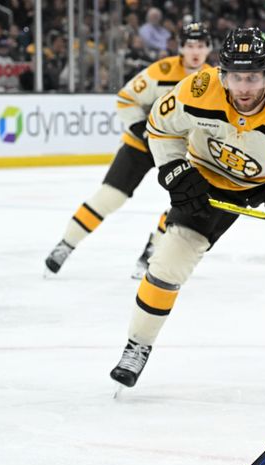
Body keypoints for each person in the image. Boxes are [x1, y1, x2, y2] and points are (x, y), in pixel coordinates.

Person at [109, 27, 265, 388]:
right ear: (222, 74)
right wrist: (174, 170)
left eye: (254, 77)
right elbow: (160, 126)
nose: (245, 88)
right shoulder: (198, 88)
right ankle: (138, 345)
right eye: (236, 77)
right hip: (206, 177)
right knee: (166, 265)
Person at [44, 23, 212, 278]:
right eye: (190, 46)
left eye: (200, 46)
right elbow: (126, 98)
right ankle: (66, 244)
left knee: (185, 200)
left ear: (209, 48)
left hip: (178, 152)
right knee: (109, 197)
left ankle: (152, 251)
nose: (195, 51)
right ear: (180, 48)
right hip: (141, 145)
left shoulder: (214, 79)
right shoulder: (162, 70)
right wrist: (146, 133)